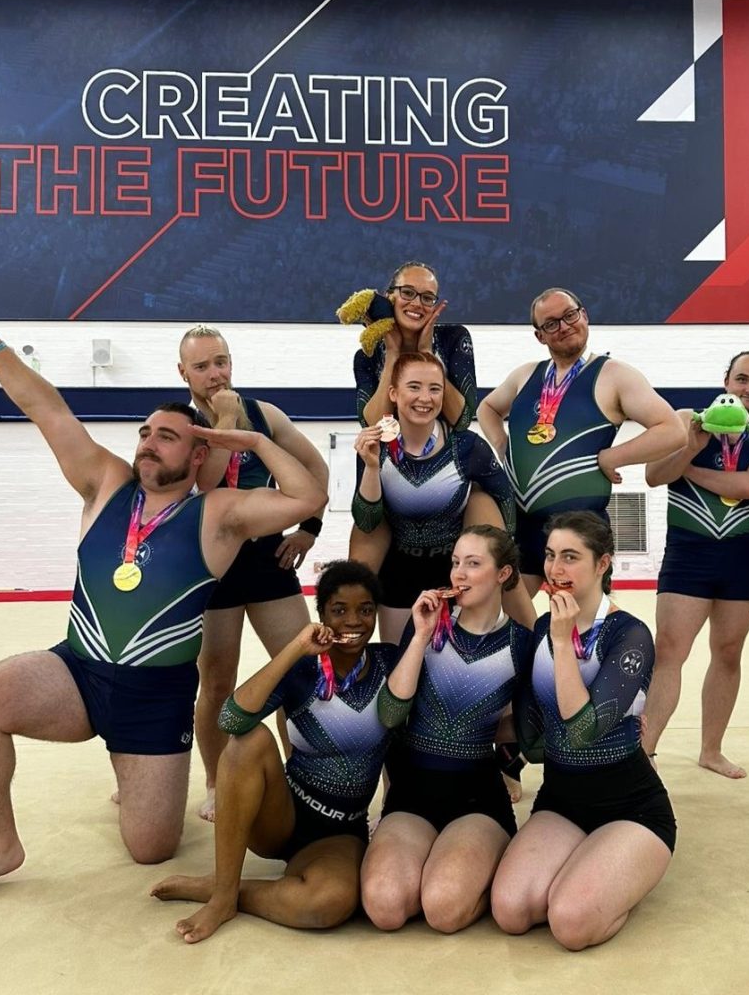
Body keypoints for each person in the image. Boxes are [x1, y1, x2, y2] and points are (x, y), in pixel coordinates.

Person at [0, 312, 326, 910]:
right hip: (77, 672)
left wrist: (249, 440)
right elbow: (46, 409)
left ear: (200, 452)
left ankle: (134, 767)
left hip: (154, 699)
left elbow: (308, 495)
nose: (148, 442)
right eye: (145, 432)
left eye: (167, 436)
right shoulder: (104, 484)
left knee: (150, 849)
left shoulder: (217, 515)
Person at [151, 561, 396, 942]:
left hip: (338, 831)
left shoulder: (388, 663)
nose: (354, 620)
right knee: (248, 740)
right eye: (339, 610)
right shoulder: (303, 670)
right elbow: (231, 719)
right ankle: (222, 899)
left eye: (365, 610)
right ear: (322, 616)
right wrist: (296, 648)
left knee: (330, 903)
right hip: (280, 813)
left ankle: (231, 889)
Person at [491, 511, 675, 952]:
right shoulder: (540, 629)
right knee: (511, 911)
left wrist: (560, 641)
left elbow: (580, 732)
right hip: (563, 800)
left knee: (570, 924)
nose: (556, 569)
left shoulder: (629, 635)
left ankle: (618, 872)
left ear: (602, 564)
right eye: (552, 555)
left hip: (631, 806)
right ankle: (589, 861)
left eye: (571, 557)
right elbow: (535, 741)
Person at [178, 324, 328, 821]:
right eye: (202, 366)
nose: (215, 373)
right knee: (216, 682)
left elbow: (315, 471)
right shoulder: (179, 423)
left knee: (299, 669)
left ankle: (300, 777)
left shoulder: (267, 415)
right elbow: (205, 481)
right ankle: (217, 779)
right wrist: (222, 418)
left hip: (268, 561)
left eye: (220, 361)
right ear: (184, 374)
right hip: (211, 567)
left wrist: (308, 527)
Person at [361, 526, 532, 933]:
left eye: (474, 564)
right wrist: (420, 636)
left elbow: (531, 730)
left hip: (476, 796)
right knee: (385, 908)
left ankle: (477, 865)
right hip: (413, 792)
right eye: (456, 563)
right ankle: (439, 861)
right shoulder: (427, 627)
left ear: (503, 574)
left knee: (442, 910)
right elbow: (389, 713)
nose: (459, 574)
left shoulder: (521, 643)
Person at [477, 287, 685, 595]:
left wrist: (613, 457)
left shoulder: (615, 374)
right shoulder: (526, 375)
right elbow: (487, 408)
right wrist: (502, 445)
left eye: (570, 315)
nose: (563, 326)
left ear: (584, 315)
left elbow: (673, 430)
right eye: (551, 323)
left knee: (581, 625)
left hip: (580, 527)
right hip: (521, 523)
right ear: (540, 336)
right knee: (510, 622)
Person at [641, 351, 749, 777]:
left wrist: (690, 469)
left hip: (740, 554)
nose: (748, 389)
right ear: (726, 380)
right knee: (669, 651)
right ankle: (643, 750)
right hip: (689, 551)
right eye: (742, 379)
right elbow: (653, 475)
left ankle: (711, 749)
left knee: (729, 652)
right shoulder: (687, 420)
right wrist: (692, 447)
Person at [352, 352, 520, 645]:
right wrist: (370, 467)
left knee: (455, 667)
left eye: (435, 388)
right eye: (414, 387)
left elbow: (504, 501)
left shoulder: (466, 446)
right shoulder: (374, 445)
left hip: (456, 572)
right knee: (400, 668)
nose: (425, 398)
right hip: (399, 573)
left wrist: (502, 564)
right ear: (393, 393)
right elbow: (367, 520)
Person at [353, 260, 476, 431]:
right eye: (408, 293)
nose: (417, 304)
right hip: (390, 456)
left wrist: (427, 354)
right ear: (390, 297)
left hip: (447, 454)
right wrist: (392, 354)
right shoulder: (368, 356)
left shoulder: (453, 338)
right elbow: (374, 428)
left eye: (427, 298)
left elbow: (462, 420)